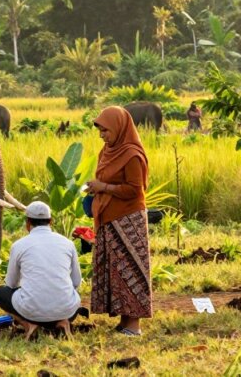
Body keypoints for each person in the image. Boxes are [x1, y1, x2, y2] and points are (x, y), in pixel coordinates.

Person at [85, 106, 152, 336]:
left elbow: (135, 190)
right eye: (100, 131)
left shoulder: (132, 155)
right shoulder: (106, 152)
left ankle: (133, 325)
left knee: (130, 269)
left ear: (119, 128)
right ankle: (123, 321)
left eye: (105, 130)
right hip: (108, 217)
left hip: (128, 220)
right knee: (115, 270)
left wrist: (103, 187)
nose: (102, 135)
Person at [0, 201, 83, 340]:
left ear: (28, 223)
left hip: (30, 311)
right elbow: (76, 282)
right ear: (50, 221)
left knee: (0, 293)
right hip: (66, 310)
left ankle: (29, 325)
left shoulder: (19, 245)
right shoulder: (68, 243)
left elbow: (11, 284)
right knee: (72, 295)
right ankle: (62, 322)